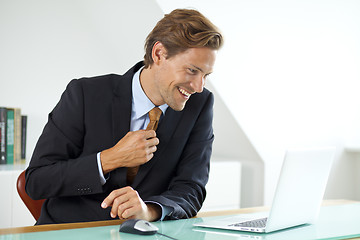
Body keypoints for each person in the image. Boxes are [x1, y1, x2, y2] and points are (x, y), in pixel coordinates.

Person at [25, 8, 223, 224]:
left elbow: (191, 188)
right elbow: (37, 181)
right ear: (159, 54)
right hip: (70, 230)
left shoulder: (200, 105)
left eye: (205, 75)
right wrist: (111, 158)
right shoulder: (85, 94)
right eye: (192, 71)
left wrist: (149, 211)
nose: (198, 86)